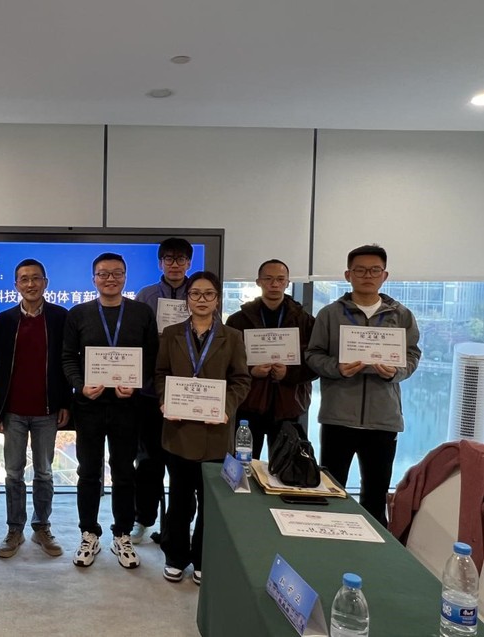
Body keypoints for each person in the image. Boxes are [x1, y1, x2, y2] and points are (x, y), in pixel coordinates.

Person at [305, 244, 420, 527]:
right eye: (360, 270)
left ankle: (373, 548)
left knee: (375, 495)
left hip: (384, 419)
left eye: (374, 270)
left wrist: (396, 371)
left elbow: (412, 355)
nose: (367, 276)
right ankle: (329, 540)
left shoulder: (401, 315)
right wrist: (337, 368)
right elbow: (313, 355)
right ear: (348, 275)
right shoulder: (330, 314)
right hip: (338, 417)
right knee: (331, 488)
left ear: (385, 275)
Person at [62, 252, 159, 569]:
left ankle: (122, 534)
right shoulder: (79, 314)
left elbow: (151, 356)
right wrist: (80, 385)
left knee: (124, 472)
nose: (110, 279)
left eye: (117, 273)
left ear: (125, 277)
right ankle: (89, 533)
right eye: (103, 274)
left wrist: (136, 383)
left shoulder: (141, 313)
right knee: (88, 472)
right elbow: (68, 357)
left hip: (127, 406)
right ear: (93, 279)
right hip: (89, 406)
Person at [154, 271, 251, 585]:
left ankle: (202, 558)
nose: (201, 299)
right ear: (187, 299)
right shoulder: (171, 334)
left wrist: (226, 408)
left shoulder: (232, 336)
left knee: (211, 503)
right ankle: (175, 556)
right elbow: (160, 373)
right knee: (180, 500)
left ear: (217, 299)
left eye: (208, 294)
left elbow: (241, 380)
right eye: (195, 294)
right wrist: (165, 400)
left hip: (215, 432)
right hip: (179, 430)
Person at [0, 259, 71, 558]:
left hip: (47, 411)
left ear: (46, 283)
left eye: (36, 278)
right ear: (16, 285)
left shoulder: (61, 317)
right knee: (13, 473)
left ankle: (41, 527)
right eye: (24, 279)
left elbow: (67, 362)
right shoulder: (4, 320)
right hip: (13, 411)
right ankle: (15, 529)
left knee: (44, 473)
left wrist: (65, 402)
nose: (30, 284)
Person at [132, 238, 193, 543]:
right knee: (148, 461)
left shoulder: (198, 292)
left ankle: (176, 527)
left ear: (189, 263)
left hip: (187, 391)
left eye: (180, 259)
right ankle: (143, 519)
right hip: (149, 392)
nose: (174, 264)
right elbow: (134, 337)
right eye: (168, 259)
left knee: (183, 463)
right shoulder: (146, 295)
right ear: (160, 263)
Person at [225, 259, 316, 457]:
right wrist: (251, 371)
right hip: (249, 405)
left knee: (286, 468)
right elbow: (226, 363)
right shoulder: (237, 320)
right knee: (244, 467)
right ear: (258, 282)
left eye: (280, 279)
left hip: (289, 406)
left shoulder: (305, 320)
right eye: (268, 279)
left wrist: (289, 373)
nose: (274, 284)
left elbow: (315, 363)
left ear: (288, 282)